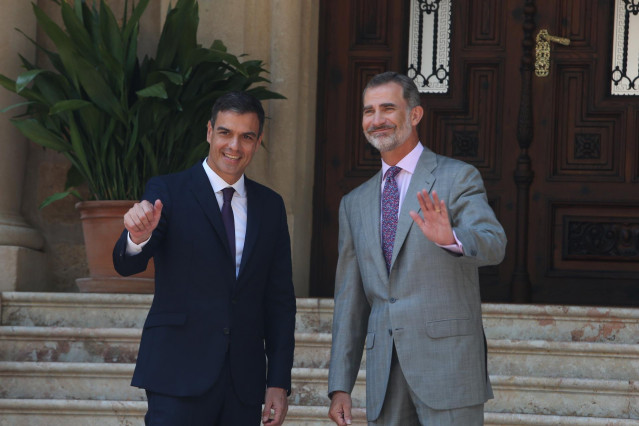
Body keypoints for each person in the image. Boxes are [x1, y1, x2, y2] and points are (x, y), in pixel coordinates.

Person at [327, 72, 507, 426]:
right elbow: (350, 301)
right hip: (384, 374)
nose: (376, 120)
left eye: (388, 108)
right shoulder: (354, 203)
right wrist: (340, 386)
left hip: (449, 369)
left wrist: (451, 238)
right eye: (368, 111)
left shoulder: (457, 178)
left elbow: (494, 243)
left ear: (415, 115)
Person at [113, 91, 296, 426]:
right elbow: (127, 264)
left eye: (247, 137)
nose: (234, 146)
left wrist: (278, 381)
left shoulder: (270, 206)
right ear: (209, 131)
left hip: (243, 381)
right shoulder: (168, 191)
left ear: (258, 142)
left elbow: (280, 300)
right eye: (225, 133)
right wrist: (138, 238)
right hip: (177, 372)